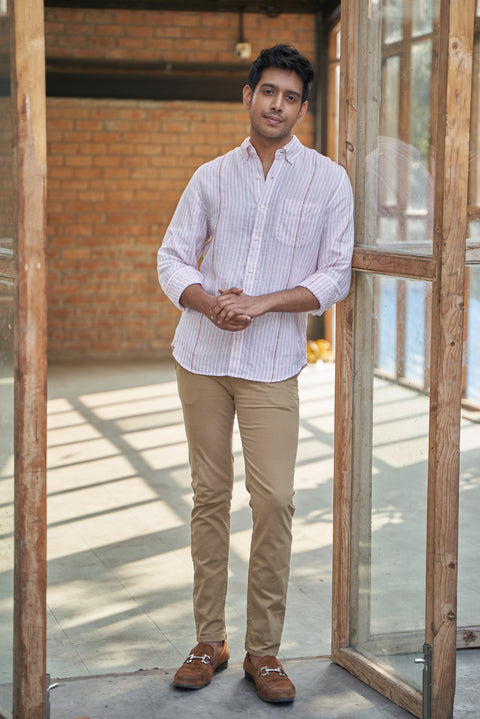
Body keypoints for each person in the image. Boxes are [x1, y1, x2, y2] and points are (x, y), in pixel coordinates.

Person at [157, 43, 354, 703]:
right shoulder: (211, 177)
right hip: (202, 358)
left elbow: (335, 275)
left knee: (273, 501)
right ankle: (207, 639)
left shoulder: (328, 181)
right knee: (209, 498)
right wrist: (208, 301)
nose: (277, 104)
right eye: (267, 91)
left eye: (290, 96)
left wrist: (263, 302)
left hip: (272, 363)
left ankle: (262, 650)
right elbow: (172, 257)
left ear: (303, 106)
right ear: (248, 96)